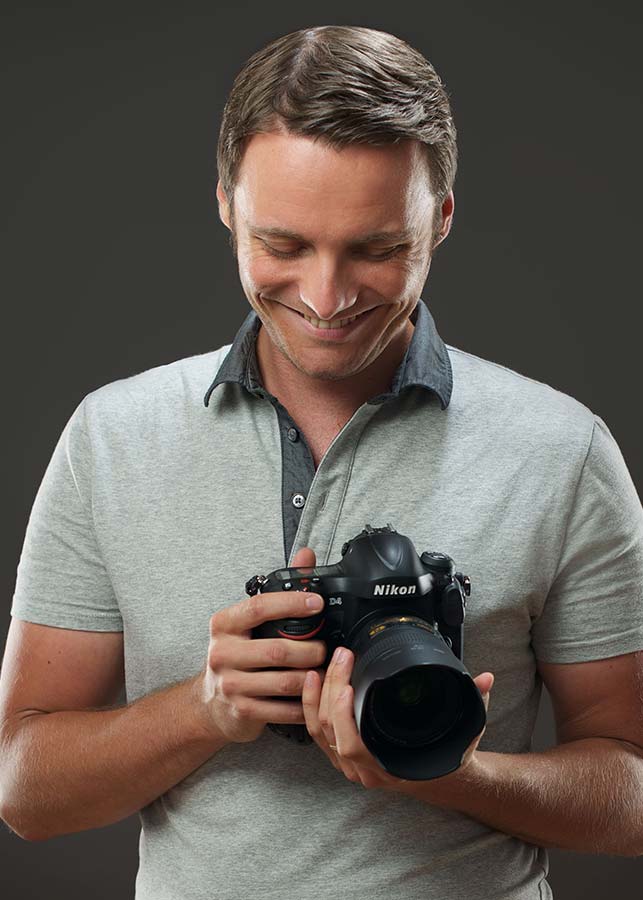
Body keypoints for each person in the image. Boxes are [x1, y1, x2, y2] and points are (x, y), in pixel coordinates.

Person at [1, 23, 642, 900]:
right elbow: (25, 791)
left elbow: (634, 791)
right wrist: (205, 709)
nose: (325, 297)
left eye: (376, 249)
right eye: (284, 244)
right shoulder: (111, 436)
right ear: (226, 203)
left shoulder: (562, 450)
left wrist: (452, 771)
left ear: (441, 218)